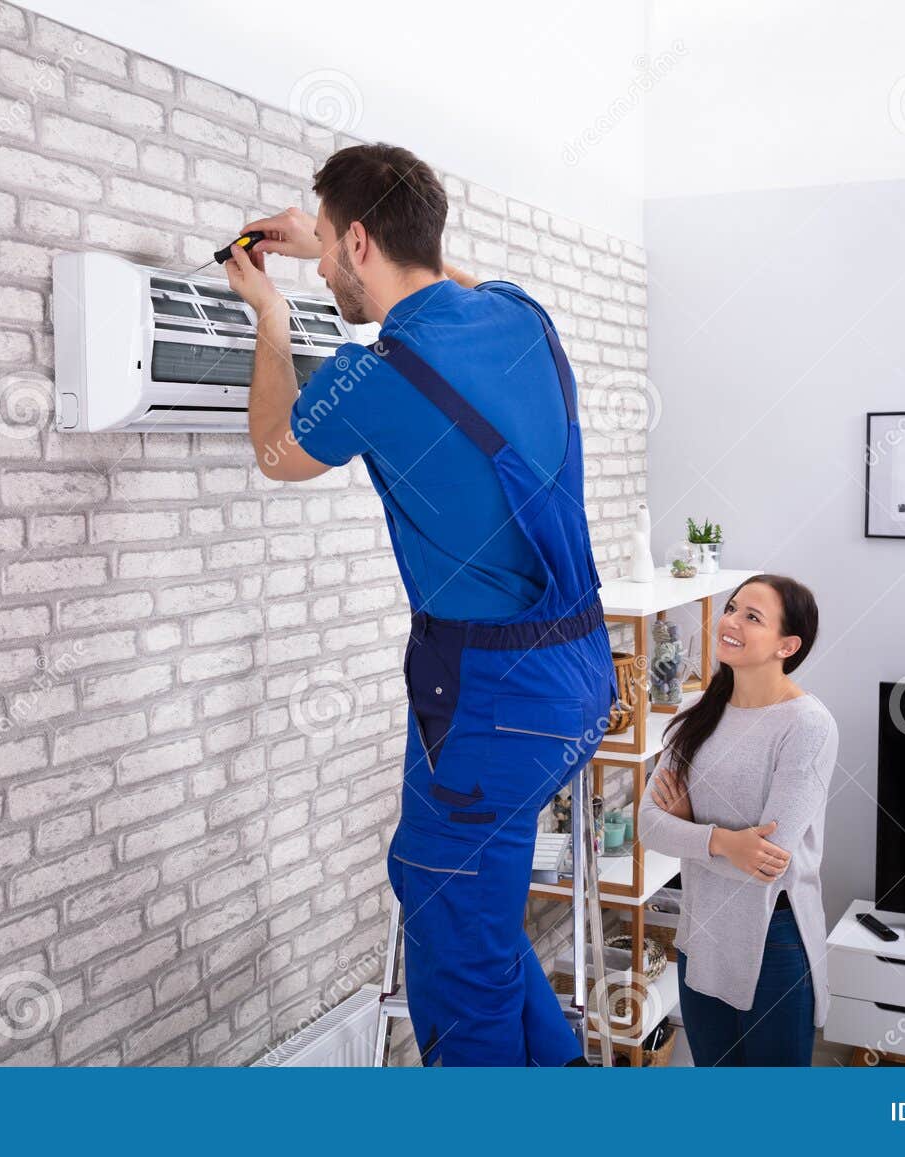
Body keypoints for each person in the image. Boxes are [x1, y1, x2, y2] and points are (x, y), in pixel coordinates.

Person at [223, 143, 618, 1066]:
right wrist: (332, 231)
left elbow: (278, 453)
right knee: (443, 888)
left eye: (325, 247)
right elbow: (453, 283)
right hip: (577, 671)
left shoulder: (373, 377)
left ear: (359, 241)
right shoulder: (525, 320)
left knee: (456, 953)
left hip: (488, 694)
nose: (318, 266)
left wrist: (272, 316)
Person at [636, 574, 836, 1066]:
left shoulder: (807, 725)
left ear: (787, 645)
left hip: (772, 939)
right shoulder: (696, 711)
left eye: (752, 617)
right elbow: (647, 825)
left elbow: (767, 863)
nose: (730, 622)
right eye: (731, 608)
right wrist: (723, 841)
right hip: (700, 935)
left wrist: (689, 828)